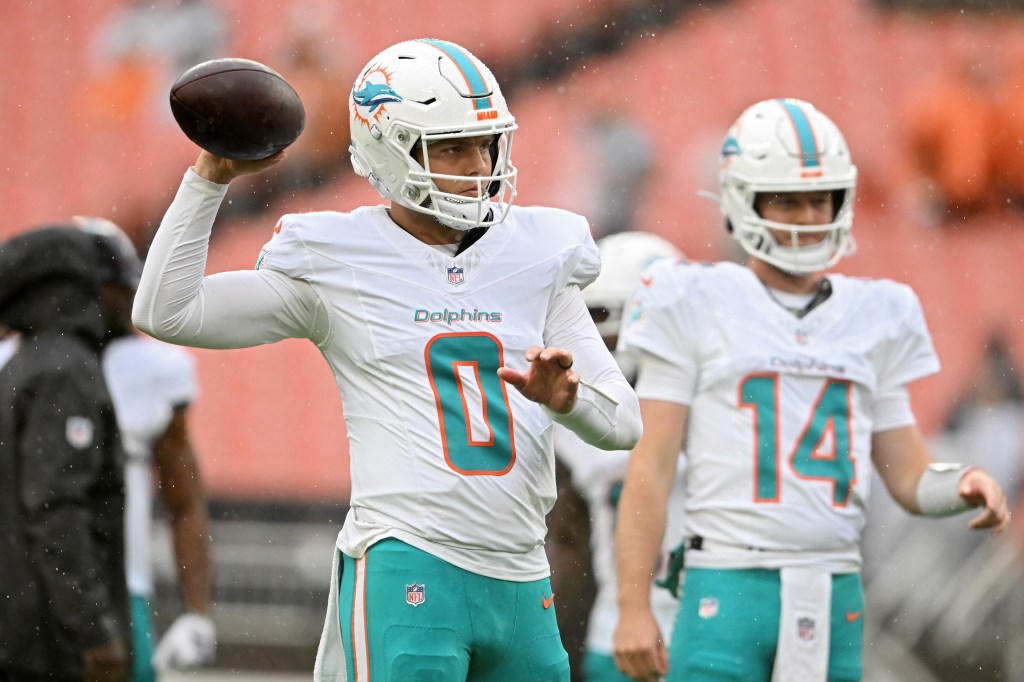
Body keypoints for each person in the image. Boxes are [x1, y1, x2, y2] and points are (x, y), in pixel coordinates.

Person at [131, 38, 642, 682]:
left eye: (485, 143)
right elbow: (167, 312)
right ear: (389, 149)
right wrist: (209, 178)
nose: (478, 163)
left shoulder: (540, 252)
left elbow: (623, 424)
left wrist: (567, 402)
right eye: (452, 146)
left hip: (521, 571)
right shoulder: (340, 257)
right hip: (409, 557)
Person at [611, 98, 1012, 682]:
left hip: (833, 588)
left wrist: (959, 484)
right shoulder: (692, 299)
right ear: (743, 201)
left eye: (818, 198)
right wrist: (632, 607)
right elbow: (651, 468)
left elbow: (908, 475)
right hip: (727, 578)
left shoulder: (876, 314)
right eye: (787, 199)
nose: (806, 215)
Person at [72, 217, 216, 681]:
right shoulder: (17, 365)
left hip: (121, 587)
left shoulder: (155, 370)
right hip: (23, 584)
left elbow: (184, 503)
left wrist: (197, 611)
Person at [547, 231, 684, 682]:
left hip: (707, 629)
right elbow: (567, 554)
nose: (599, 339)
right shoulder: (570, 422)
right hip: (622, 633)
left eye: (607, 317)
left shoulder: (727, 411)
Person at [0, 226, 131, 682]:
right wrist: (93, 630)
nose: (129, 297)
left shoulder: (25, 363)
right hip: (49, 646)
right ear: (80, 289)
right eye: (115, 284)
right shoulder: (66, 371)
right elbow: (56, 509)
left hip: (20, 629)